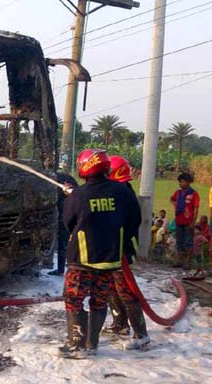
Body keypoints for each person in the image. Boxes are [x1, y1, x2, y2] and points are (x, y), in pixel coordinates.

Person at [59, 149, 141, 358]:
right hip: (109, 260)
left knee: (73, 298)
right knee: (99, 300)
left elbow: (68, 221)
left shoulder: (79, 195)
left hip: (83, 260)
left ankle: (76, 345)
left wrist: (73, 195)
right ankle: (91, 345)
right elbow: (134, 221)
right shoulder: (122, 192)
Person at [103, 155, 150, 350]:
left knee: (126, 291)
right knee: (111, 288)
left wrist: (118, 240)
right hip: (111, 250)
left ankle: (141, 334)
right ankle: (119, 324)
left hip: (120, 250)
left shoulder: (123, 193)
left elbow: (132, 223)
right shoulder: (118, 190)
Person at [48, 162, 78, 276]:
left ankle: (69, 269)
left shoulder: (62, 179)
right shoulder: (65, 178)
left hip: (67, 217)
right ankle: (63, 268)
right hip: (66, 216)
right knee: (65, 243)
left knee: (65, 243)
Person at [170, 173, 200, 270]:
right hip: (179, 220)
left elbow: (196, 208)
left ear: (188, 182)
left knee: (188, 242)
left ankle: (188, 262)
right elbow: (172, 199)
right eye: (179, 182)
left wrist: (193, 222)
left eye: (182, 182)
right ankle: (179, 260)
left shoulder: (194, 194)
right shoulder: (178, 193)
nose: (180, 184)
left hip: (188, 222)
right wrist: (176, 206)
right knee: (180, 241)